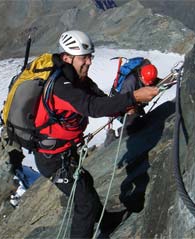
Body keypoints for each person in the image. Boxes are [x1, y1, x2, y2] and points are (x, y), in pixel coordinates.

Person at [33, 30, 159, 239]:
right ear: (67, 58)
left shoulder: (77, 79)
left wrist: (124, 106)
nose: (89, 62)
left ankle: (106, 221)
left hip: (63, 151)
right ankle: (96, 223)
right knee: (84, 205)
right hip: (52, 158)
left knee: (85, 183)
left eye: (90, 56)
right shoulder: (61, 87)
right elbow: (91, 106)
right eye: (84, 57)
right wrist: (134, 95)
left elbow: (100, 100)